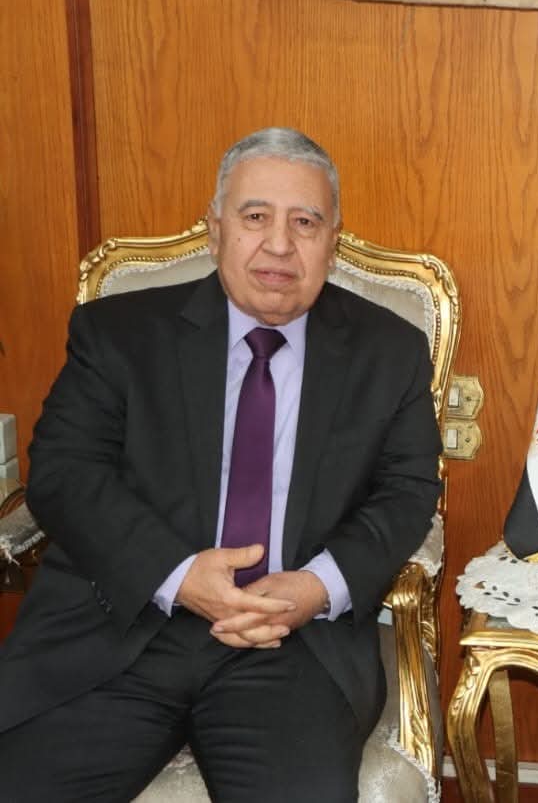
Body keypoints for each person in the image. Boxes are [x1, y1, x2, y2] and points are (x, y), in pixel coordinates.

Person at [0, 127, 441, 801]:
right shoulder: (119, 333)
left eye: (305, 222)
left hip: (292, 645)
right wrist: (178, 575)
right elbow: (64, 471)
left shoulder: (390, 352)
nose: (279, 245)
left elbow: (407, 490)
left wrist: (315, 587)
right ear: (215, 230)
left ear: (333, 241)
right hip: (123, 625)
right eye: (255, 216)